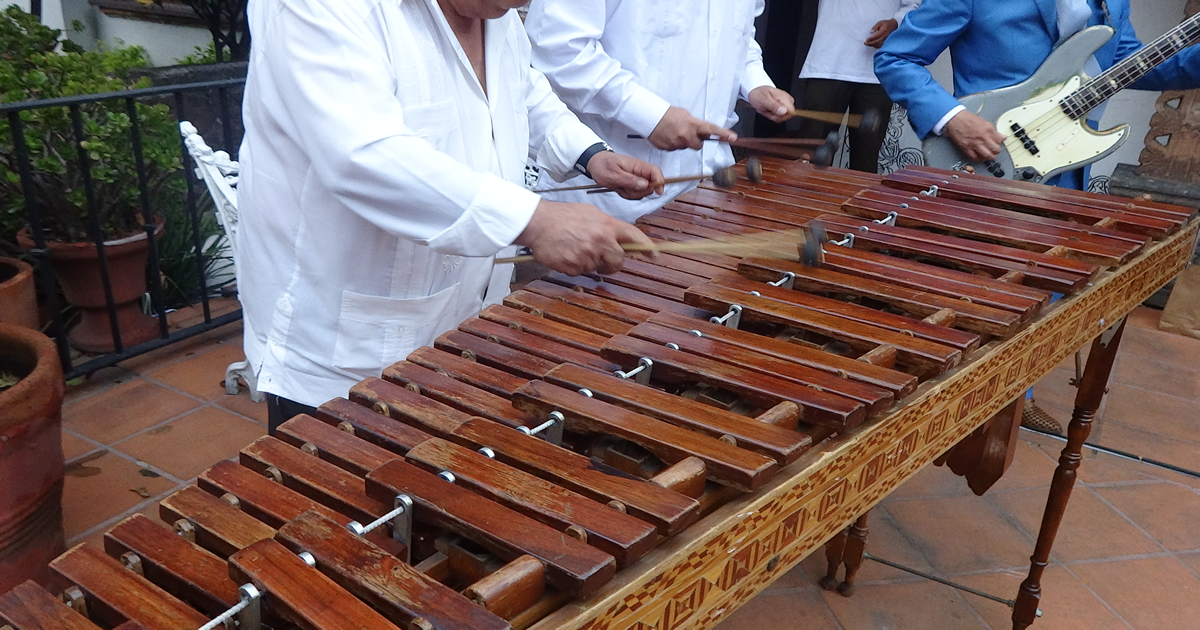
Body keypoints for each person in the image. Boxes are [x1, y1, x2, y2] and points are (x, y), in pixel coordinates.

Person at [237, 0, 667, 432]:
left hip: (465, 327)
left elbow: (522, 89)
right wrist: (534, 221)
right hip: (343, 356)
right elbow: (364, 155)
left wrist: (589, 155)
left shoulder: (493, 16)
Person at [874, 0, 1200, 431]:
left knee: (1041, 296)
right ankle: (926, 406)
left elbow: (1133, 62)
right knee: (967, 293)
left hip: (1063, 171)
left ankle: (1011, 398)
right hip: (987, 163)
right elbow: (897, 56)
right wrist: (951, 117)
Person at [524, 0, 796, 223]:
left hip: (713, 188)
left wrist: (754, 82)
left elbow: (741, 34)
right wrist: (650, 116)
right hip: (610, 199)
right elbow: (557, 47)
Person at [797, 0, 920, 173]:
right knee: (812, 156)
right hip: (827, 64)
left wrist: (895, 23)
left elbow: (913, 4)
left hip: (877, 70)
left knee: (865, 162)